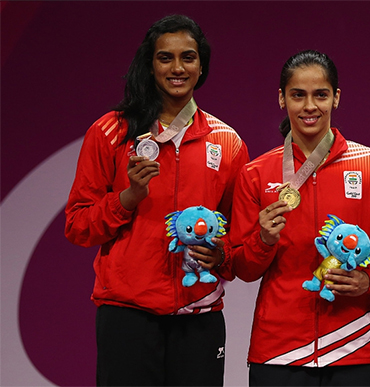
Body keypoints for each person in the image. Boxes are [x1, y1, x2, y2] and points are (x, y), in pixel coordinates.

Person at [64, 14, 249, 386]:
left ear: (201, 66)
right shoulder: (111, 132)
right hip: (127, 315)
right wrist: (127, 198)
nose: (177, 68)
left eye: (188, 57)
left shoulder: (228, 143)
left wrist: (222, 255)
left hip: (199, 317)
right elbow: (78, 225)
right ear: (150, 65)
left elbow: (237, 236)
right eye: (165, 57)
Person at [230, 50, 370, 386]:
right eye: (298, 95)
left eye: (320, 94)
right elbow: (241, 268)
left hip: (353, 346)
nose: (310, 106)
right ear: (282, 99)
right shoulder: (255, 173)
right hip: (277, 351)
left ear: (336, 98)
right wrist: (263, 239)